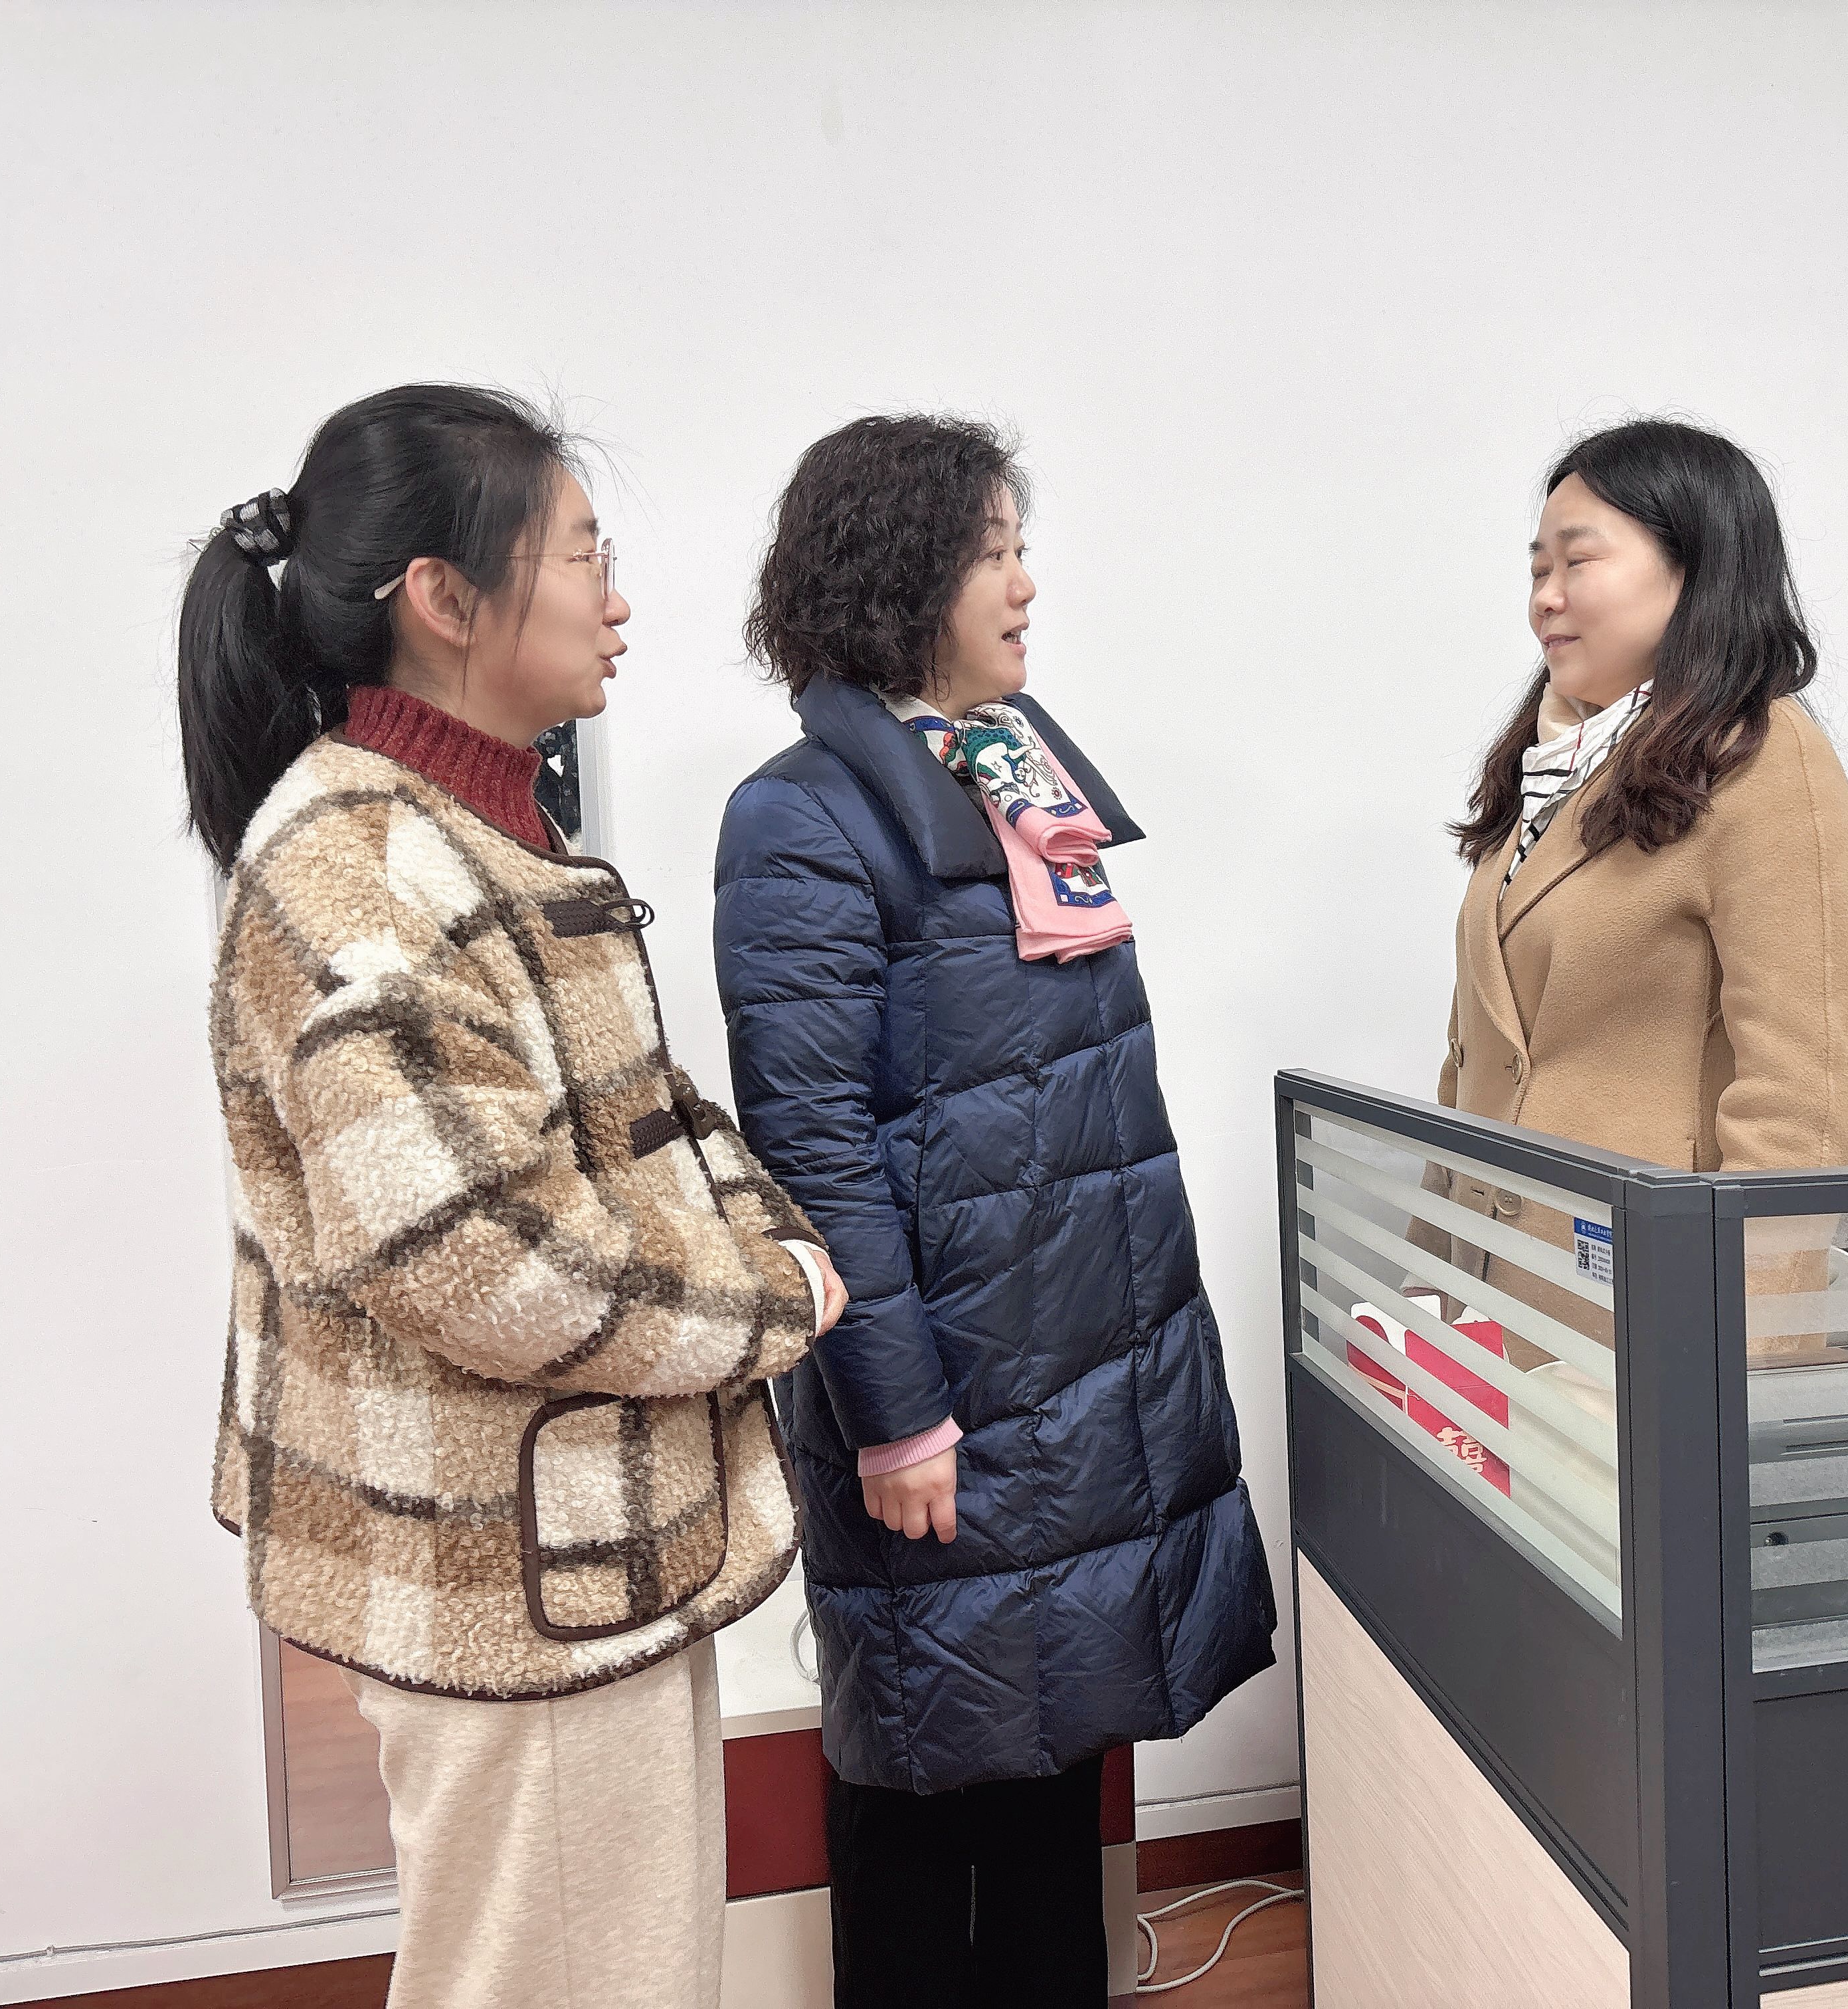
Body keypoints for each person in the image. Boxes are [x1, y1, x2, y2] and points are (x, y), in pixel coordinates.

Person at [180, 384, 846, 2009]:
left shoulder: (472, 824)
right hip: (507, 1572)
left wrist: (770, 1231)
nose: (616, 600)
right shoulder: (358, 866)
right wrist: (777, 1299)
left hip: (574, 1548)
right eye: (582, 554)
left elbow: (643, 1119)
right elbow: (480, 1259)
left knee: (616, 1964)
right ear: (444, 597)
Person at [715, 413, 1277, 2008]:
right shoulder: (801, 816)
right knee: (920, 1764)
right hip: (948, 1394)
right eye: (993, 553)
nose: (1026, 585)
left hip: (1074, 1374)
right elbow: (814, 1144)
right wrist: (893, 1414)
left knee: (1051, 1753)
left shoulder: (1014, 774)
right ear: (903, 578)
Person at [1420, 417, 1848, 1377]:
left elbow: (1799, 1109)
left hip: (1651, 1326)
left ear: (1694, 568)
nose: (1545, 597)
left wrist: (1738, 1366)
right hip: (1506, 1306)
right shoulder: (1559, 767)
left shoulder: (1769, 763)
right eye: (1537, 569)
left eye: (1577, 561)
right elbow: (1476, 1061)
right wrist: (1427, 1285)